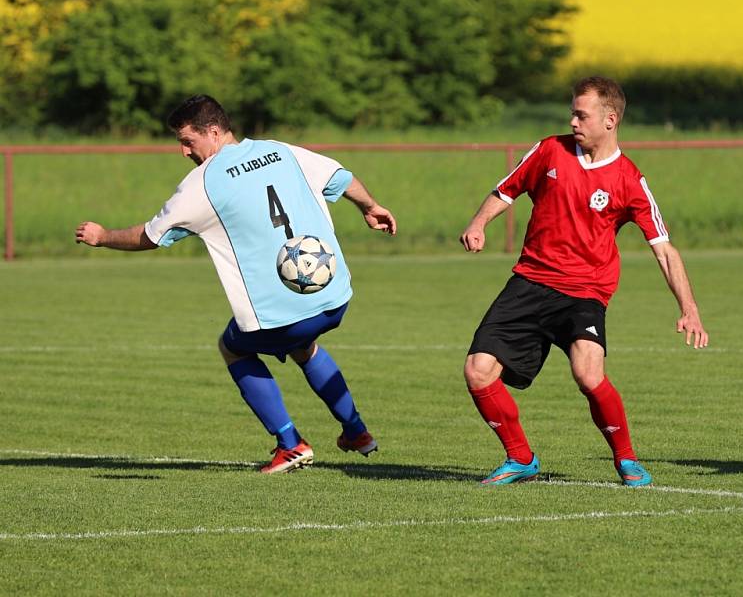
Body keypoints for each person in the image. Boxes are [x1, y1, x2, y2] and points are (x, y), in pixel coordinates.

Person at [75, 94, 396, 474]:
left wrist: (103, 236)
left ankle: (290, 444)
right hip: (334, 295)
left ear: (213, 132)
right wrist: (370, 207)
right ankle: (356, 431)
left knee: (234, 348)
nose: (183, 152)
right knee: (303, 347)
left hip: (279, 312)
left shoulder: (203, 184)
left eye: (187, 141)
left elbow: (151, 235)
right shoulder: (281, 151)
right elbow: (340, 178)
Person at [460, 76, 708, 487]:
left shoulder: (629, 180)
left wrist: (690, 308)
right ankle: (520, 458)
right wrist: (478, 222)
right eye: (572, 112)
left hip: (585, 292)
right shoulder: (548, 150)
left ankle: (627, 460)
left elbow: (664, 249)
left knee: (588, 374)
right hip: (530, 281)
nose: (573, 120)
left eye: (581, 114)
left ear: (610, 120)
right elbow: (506, 191)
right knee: (477, 371)